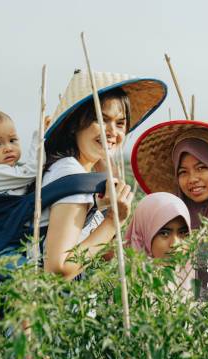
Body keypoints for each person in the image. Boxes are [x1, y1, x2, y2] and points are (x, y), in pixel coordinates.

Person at [40, 70, 167, 280]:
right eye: (101, 120)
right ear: (74, 124)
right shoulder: (72, 176)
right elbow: (58, 269)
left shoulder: (73, 171)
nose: (112, 132)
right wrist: (113, 220)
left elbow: (101, 256)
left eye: (120, 123)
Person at [125, 192, 191, 258]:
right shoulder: (120, 266)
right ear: (143, 233)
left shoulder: (196, 267)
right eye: (164, 233)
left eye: (183, 233)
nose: (175, 244)